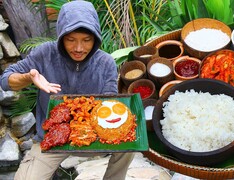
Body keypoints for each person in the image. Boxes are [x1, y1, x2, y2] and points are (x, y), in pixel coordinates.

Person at [0, 1, 134, 180]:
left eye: (86, 40)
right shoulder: (44, 53)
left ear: (95, 39)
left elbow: (109, 102)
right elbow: (5, 80)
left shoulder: (106, 62)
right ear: (61, 36)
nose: (79, 48)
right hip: (52, 139)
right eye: (71, 40)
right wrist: (28, 77)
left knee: (130, 142)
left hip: (92, 138)